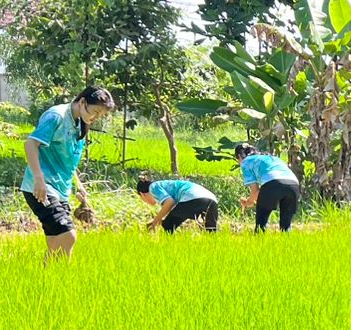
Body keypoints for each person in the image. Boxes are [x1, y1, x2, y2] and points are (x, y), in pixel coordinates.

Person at [19, 86, 116, 262]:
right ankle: (55, 275)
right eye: (95, 112)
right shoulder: (56, 116)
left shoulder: (80, 121)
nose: (95, 118)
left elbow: (67, 159)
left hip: (61, 189)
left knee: (55, 240)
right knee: (68, 236)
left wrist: (78, 185)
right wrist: (39, 180)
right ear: (82, 102)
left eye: (99, 115)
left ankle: (50, 279)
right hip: (41, 187)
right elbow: (30, 144)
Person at [234, 143, 301, 232]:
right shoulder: (272, 158)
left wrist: (248, 202)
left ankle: (259, 243)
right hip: (293, 185)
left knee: (260, 226)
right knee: (286, 226)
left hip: (272, 183)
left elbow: (255, 191)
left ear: (239, 156)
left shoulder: (246, 162)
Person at [137, 175, 220, 233]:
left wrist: (155, 222)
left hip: (192, 197)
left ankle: (168, 248)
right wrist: (160, 221)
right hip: (211, 200)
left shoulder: (153, 187)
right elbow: (173, 210)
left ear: (142, 194)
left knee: (168, 226)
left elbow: (169, 202)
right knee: (210, 232)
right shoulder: (166, 184)